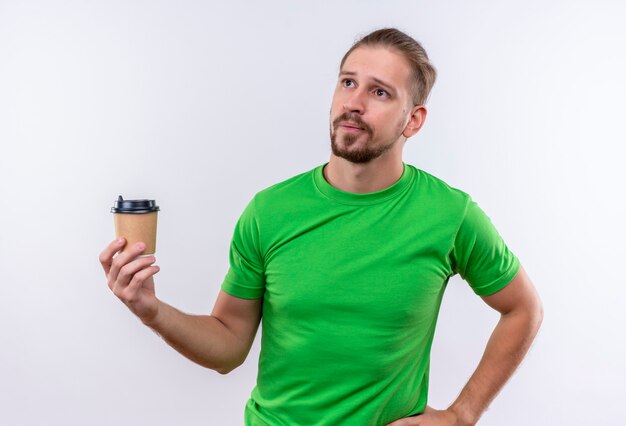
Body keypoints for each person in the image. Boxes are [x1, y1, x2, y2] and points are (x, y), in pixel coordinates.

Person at [100, 28, 543, 426]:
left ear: (414, 120)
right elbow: (229, 345)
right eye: (348, 82)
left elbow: (524, 308)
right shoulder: (269, 211)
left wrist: (461, 416)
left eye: (380, 92)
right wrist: (150, 310)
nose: (354, 101)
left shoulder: (451, 215)